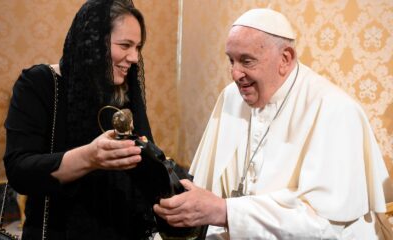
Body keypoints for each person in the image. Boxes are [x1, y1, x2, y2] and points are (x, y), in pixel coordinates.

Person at [153, 8, 393, 239]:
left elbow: (324, 225)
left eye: (246, 61)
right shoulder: (230, 97)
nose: (235, 74)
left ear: (285, 59)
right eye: (231, 60)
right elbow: (211, 189)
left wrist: (225, 211)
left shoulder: (335, 110)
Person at [4, 0, 159, 239]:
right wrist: (90, 156)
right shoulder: (39, 84)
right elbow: (19, 171)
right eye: (125, 45)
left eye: (138, 47)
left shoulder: (125, 93)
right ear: (93, 43)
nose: (134, 57)